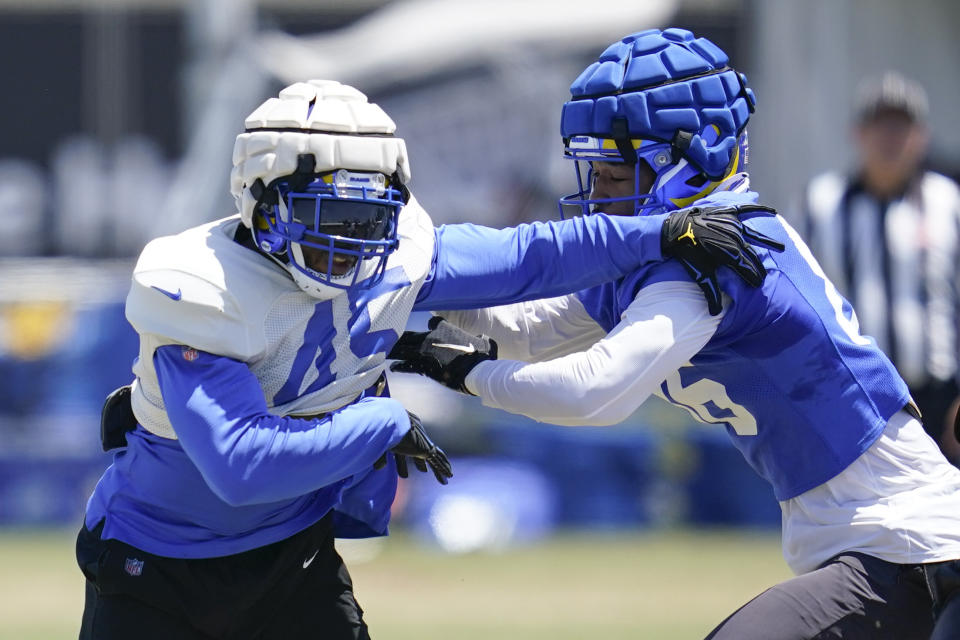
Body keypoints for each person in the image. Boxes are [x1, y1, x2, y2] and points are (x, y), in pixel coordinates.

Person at [74, 79, 774, 640]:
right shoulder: (204, 288)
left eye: (369, 220)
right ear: (260, 199)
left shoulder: (397, 255)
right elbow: (242, 465)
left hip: (295, 555)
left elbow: (535, 256)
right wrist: (381, 421)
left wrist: (665, 232)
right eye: (328, 218)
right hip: (154, 567)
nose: (350, 246)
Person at [389, 29, 960, 639]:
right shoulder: (668, 253)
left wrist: (464, 372)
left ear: (692, 160)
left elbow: (591, 391)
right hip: (875, 542)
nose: (598, 197)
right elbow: (533, 328)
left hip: (908, 542)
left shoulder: (714, 256)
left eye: (611, 174)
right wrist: (405, 309)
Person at [793, 71, 960, 464]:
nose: (890, 139)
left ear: (921, 136)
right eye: (879, 126)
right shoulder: (821, 206)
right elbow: (797, 304)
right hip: (853, 396)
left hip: (940, 397)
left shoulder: (949, 203)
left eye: (900, 127)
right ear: (858, 133)